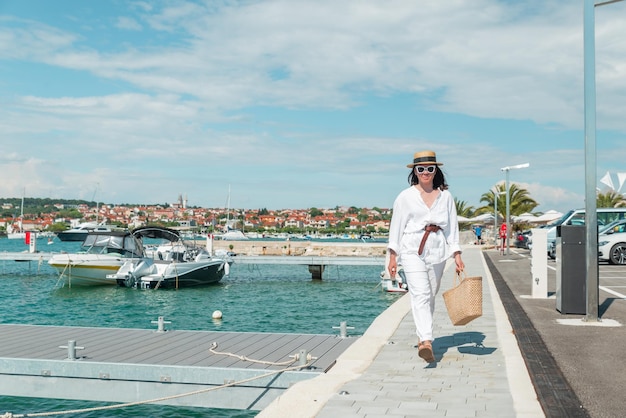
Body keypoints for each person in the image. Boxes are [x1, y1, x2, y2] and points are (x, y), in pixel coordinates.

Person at [387, 150, 465, 363]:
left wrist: (456, 254)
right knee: (420, 293)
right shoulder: (405, 197)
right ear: (415, 171)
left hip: (438, 250)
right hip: (412, 250)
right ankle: (426, 341)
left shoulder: (446, 197)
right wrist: (392, 257)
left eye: (430, 168)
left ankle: (423, 336)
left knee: (429, 294)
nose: (425, 172)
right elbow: (396, 228)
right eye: (420, 169)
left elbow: (452, 228)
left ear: (435, 170)